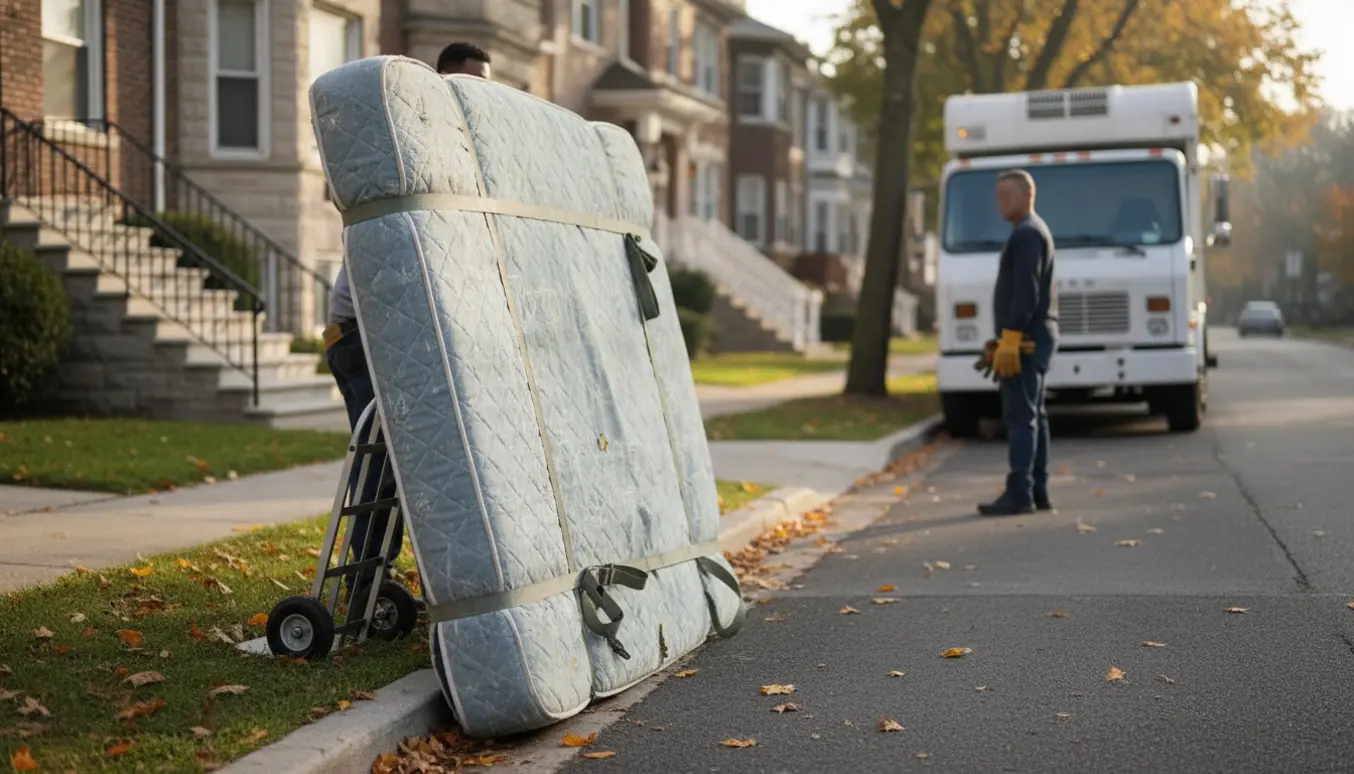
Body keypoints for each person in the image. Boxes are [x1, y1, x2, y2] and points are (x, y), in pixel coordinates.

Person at [322, 42, 494, 592]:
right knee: (385, 462)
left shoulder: (463, 154)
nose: (475, 97)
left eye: (483, 86)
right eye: (465, 85)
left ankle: (395, 580)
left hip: (414, 337)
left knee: (421, 462)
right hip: (362, 336)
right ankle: (361, 585)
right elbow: (342, 187)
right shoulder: (401, 142)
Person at [978, 169, 1059, 517]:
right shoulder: (1030, 231)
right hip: (1036, 335)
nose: (1001, 202)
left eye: (1007, 195)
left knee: (1021, 415)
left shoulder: (1027, 234)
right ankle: (1037, 490)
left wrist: (1011, 336)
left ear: (1028, 195)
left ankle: (1019, 491)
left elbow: (1027, 292)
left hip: (1026, 339)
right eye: (998, 196)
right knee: (1034, 414)